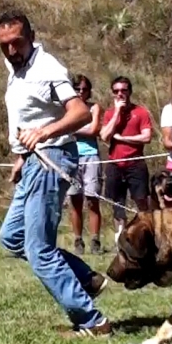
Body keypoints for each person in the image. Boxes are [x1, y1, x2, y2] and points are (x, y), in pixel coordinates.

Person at [0, 9, 112, 337]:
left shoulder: (47, 69)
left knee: (39, 249)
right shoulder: (16, 67)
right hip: (33, 160)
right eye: (4, 44)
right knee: (12, 237)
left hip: (51, 159)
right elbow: (27, 115)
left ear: (30, 37)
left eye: (17, 42)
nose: (11, 50)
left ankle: (93, 321)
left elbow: (80, 113)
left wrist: (43, 135)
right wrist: (20, 157)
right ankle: (85, 278)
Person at [100, 76, 152, 237]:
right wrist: (117, 113)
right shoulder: (109, 114)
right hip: (115, 164)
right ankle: (120, 238)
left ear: (130, 91)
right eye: (116, 91)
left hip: (135, 163)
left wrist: (123, 139)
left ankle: (146, 235)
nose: (120, 94)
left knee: (142, 201)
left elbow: (146, 137)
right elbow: (104, 136)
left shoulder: (140, 112)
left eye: (123, 90)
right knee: (117, 203)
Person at [67, 74, 104, 255]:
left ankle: (95, 239)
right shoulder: (66, 108)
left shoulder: (94, 107)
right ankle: (77, 239)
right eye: (77, 89)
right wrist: (78, 129)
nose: (81, 92)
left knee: (92, 199)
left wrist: (72, 128)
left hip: (91, 157)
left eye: (84, 89)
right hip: (71, 157)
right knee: (74, 200)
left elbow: (94, 130)